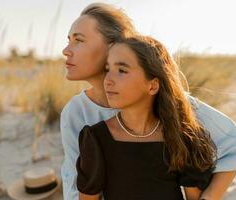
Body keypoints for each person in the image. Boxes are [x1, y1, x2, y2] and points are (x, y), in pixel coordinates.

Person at [61, 3, 236, 200]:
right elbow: (74, 186)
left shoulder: (174, 103)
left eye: (78, 40)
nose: (66, 50)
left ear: (114, 45)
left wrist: (209, 196)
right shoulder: (76, 113)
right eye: (68, 40)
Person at [77, 35, 217, 200]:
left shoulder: (181, 136)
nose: (108, 80)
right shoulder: (96, 139)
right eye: (108, 69)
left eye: (122, 70)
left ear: (152, 86)